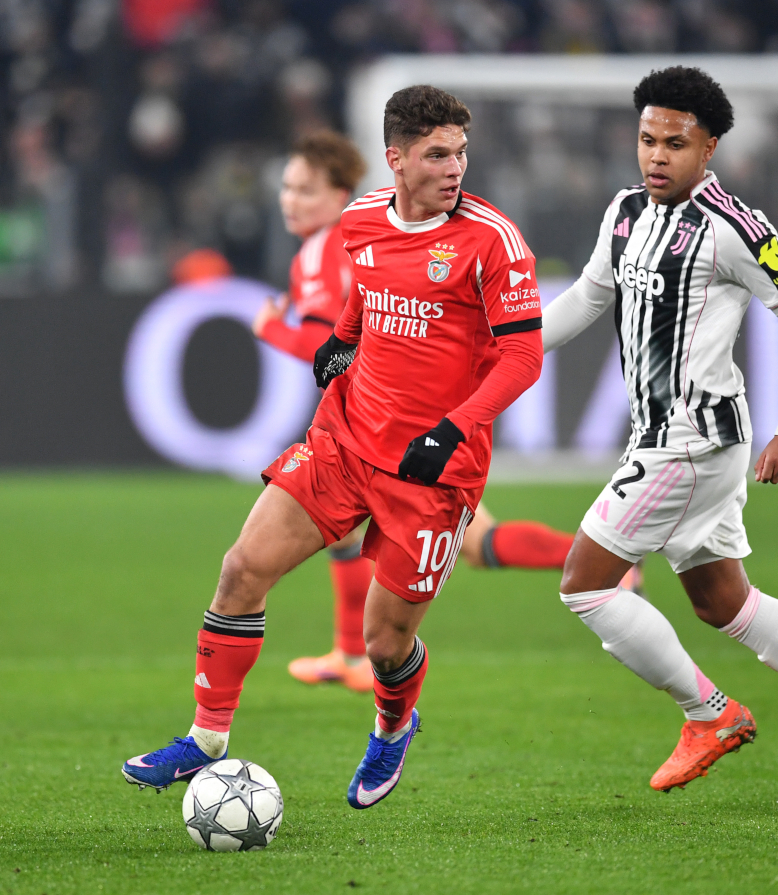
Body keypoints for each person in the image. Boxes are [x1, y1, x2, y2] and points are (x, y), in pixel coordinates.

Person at [123, 85, 544, 810]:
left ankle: (393, 724)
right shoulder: (360, 220)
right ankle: (206, 738)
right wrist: (343, 340)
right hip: (343, 440)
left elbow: (523, 359)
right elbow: (366, 292)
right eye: (437, 155)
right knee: (241, 569)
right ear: (396, 159)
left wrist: (453, 429)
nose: (454, 168)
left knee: (385, 644)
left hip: (432, 470)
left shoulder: (492, 242)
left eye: (460, 153)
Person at [543, 66, 778, 806]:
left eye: (675, 144)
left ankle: (708, 713)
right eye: (647, 140)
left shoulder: (733, 228)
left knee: (585, 584)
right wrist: (506, 348)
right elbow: (589, 295)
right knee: (724, 602)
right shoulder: (625, 210)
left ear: (709, 147)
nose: (657, 156)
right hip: (666, 437)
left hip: (691, 439)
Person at [250, 129, 577, 693]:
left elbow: (327, 342)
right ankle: (349, 653)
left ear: (338, 195)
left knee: (477, 546)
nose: (290, 201)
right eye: (287, 188)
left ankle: (603, 561)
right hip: (383, 429)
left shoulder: (326, 250)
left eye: (305, 190)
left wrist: (273, 331)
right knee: (363, 540)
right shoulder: (361, 231)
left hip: (409, 432)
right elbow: (353, 325)